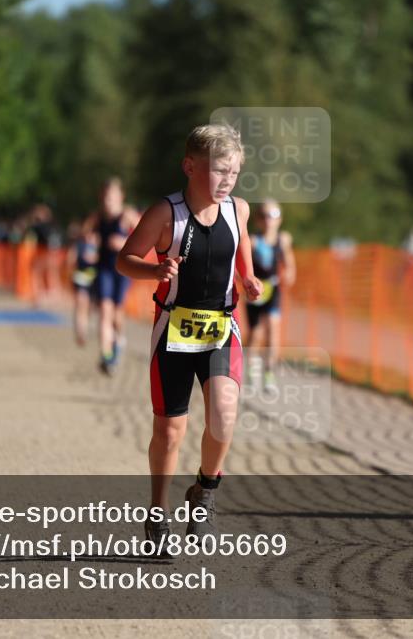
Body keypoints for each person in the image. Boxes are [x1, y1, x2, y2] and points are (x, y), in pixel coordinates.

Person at [116, 123, 262, 549]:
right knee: (170, 431)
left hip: (221, 326)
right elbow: (125, 260)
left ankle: (205, 491)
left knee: (224, 412)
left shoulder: (240, 210)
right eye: (219, 171)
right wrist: (153, 270)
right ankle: (157, 514)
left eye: (233, 173)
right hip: (174, 330)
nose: (227, 180)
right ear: (190, 166)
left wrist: (249, 279)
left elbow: (241, 248)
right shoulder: (166, 213)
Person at [84, 178, 140, 374]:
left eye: (113, 197)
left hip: (123, 270)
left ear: (120, 197)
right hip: (103, 269)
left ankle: (119, 340)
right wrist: (90, 245)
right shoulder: (97, 217)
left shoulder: (127, 215)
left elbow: (146, 237)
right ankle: (106, 356)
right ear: (102, 197)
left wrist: (124, 242)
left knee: (117, 314)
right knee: (105, 311)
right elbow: (85, 236)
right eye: (106, 197)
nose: (109, 201)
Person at [246, 199, 295, 396]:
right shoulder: (252, 241)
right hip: (256, 291)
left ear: (280, 219)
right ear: (259, 220)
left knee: (274, 329)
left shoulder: (283, 240)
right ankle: (251, 370)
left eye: (273, 215)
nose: (269, 220)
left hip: (273, 289)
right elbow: (243, 266)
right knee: (256, 334)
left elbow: (290, 263)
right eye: (265, 215)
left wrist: (290, 274)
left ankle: (269, 375)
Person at [66, 220, 99, 347]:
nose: (90, 236)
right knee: (81, 305)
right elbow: (70, 260)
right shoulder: (78, 245)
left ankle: (85, 328)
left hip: (94, 280)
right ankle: (81, 332)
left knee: (89, 308)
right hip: (80, 278)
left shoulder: (99, 246)